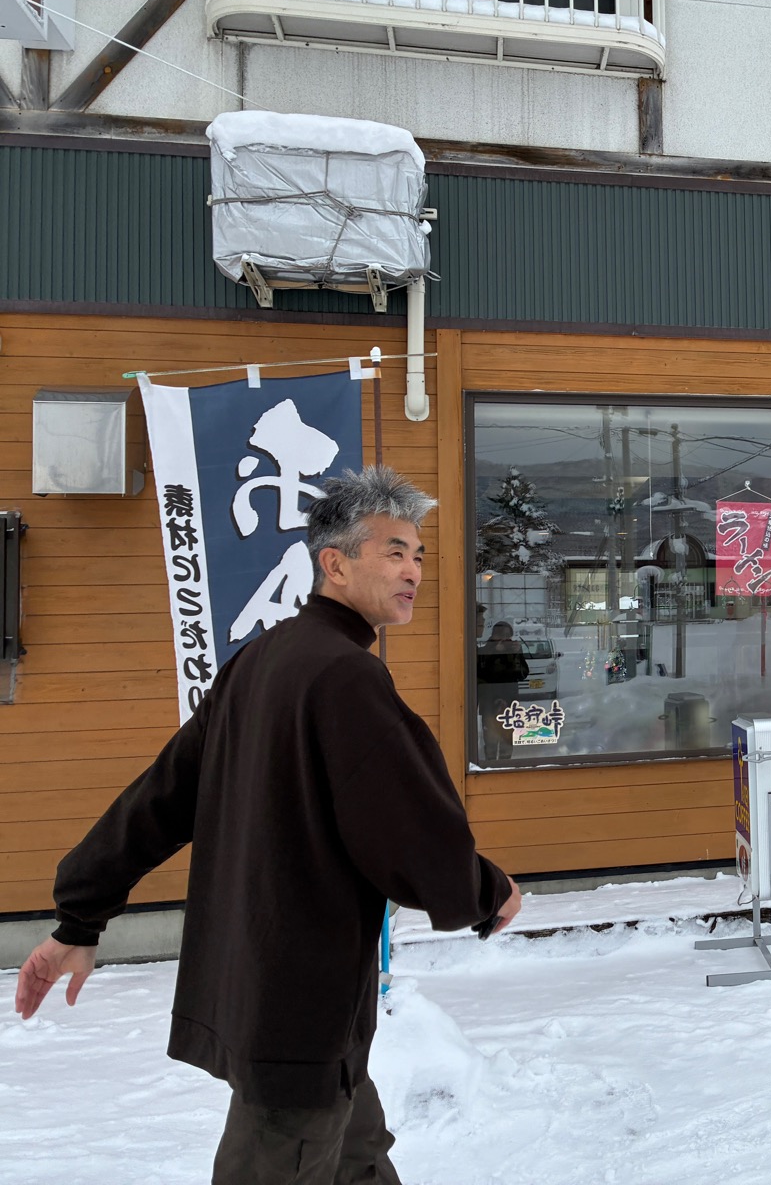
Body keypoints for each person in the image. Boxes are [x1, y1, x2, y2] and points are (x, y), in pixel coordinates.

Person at [12, 466, 522, 1184]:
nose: (412, 570)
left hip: (276, 996)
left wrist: (81, 914)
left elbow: (161, 795)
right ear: (335, 563)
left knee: (357, 1158)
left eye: (418, 554)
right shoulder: (344, 676)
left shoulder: (263, 659)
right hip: (299, 1015)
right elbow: (406, 829)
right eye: (393, 552)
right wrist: (485, 890)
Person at [476, 620, 528, 762]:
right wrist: (493, 653)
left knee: (507, 742)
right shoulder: (483, 651)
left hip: (510, 704)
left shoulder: (513, 650)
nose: (504, 638)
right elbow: (481, 675)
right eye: (500, 634)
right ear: (493, 635)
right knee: (491, 742)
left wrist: (517, 656)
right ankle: (490, 769)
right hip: (489, 704)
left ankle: (505, 767)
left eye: (507, 635)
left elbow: (522, 674)